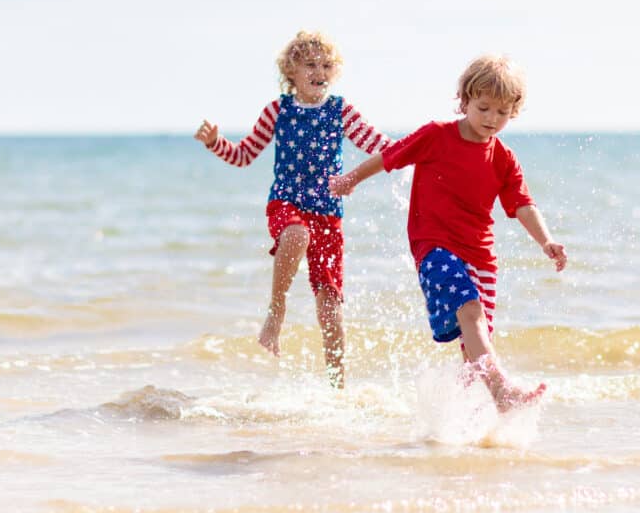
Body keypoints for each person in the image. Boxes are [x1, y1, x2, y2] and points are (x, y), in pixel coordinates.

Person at [329, 54, 567, 411]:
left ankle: (457, 420)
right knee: (470, 311)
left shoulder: (503, 157)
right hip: (435, 248)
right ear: (465, 100)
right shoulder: (436, 136)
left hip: (481, 256)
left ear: (513, 112)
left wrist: (546, 240)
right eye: (483, 107)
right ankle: (503, 393)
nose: (491, 119)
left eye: (502, 113)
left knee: (474, 347)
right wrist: (351, 179)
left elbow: (522, 204)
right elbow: (391, 156)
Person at [194, 31, 390, 388]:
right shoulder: (277, 111)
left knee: (331, 307)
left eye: (327, 65)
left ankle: (337, 389)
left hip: (329, 212)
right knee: (297, 234)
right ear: (291, 71)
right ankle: (276, 310)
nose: (320, 72)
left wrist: (423, 149)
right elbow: (243, 156)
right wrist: (214, 143)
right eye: (311, 65)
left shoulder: (340, 110)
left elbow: (378, 144)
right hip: (286, 202)